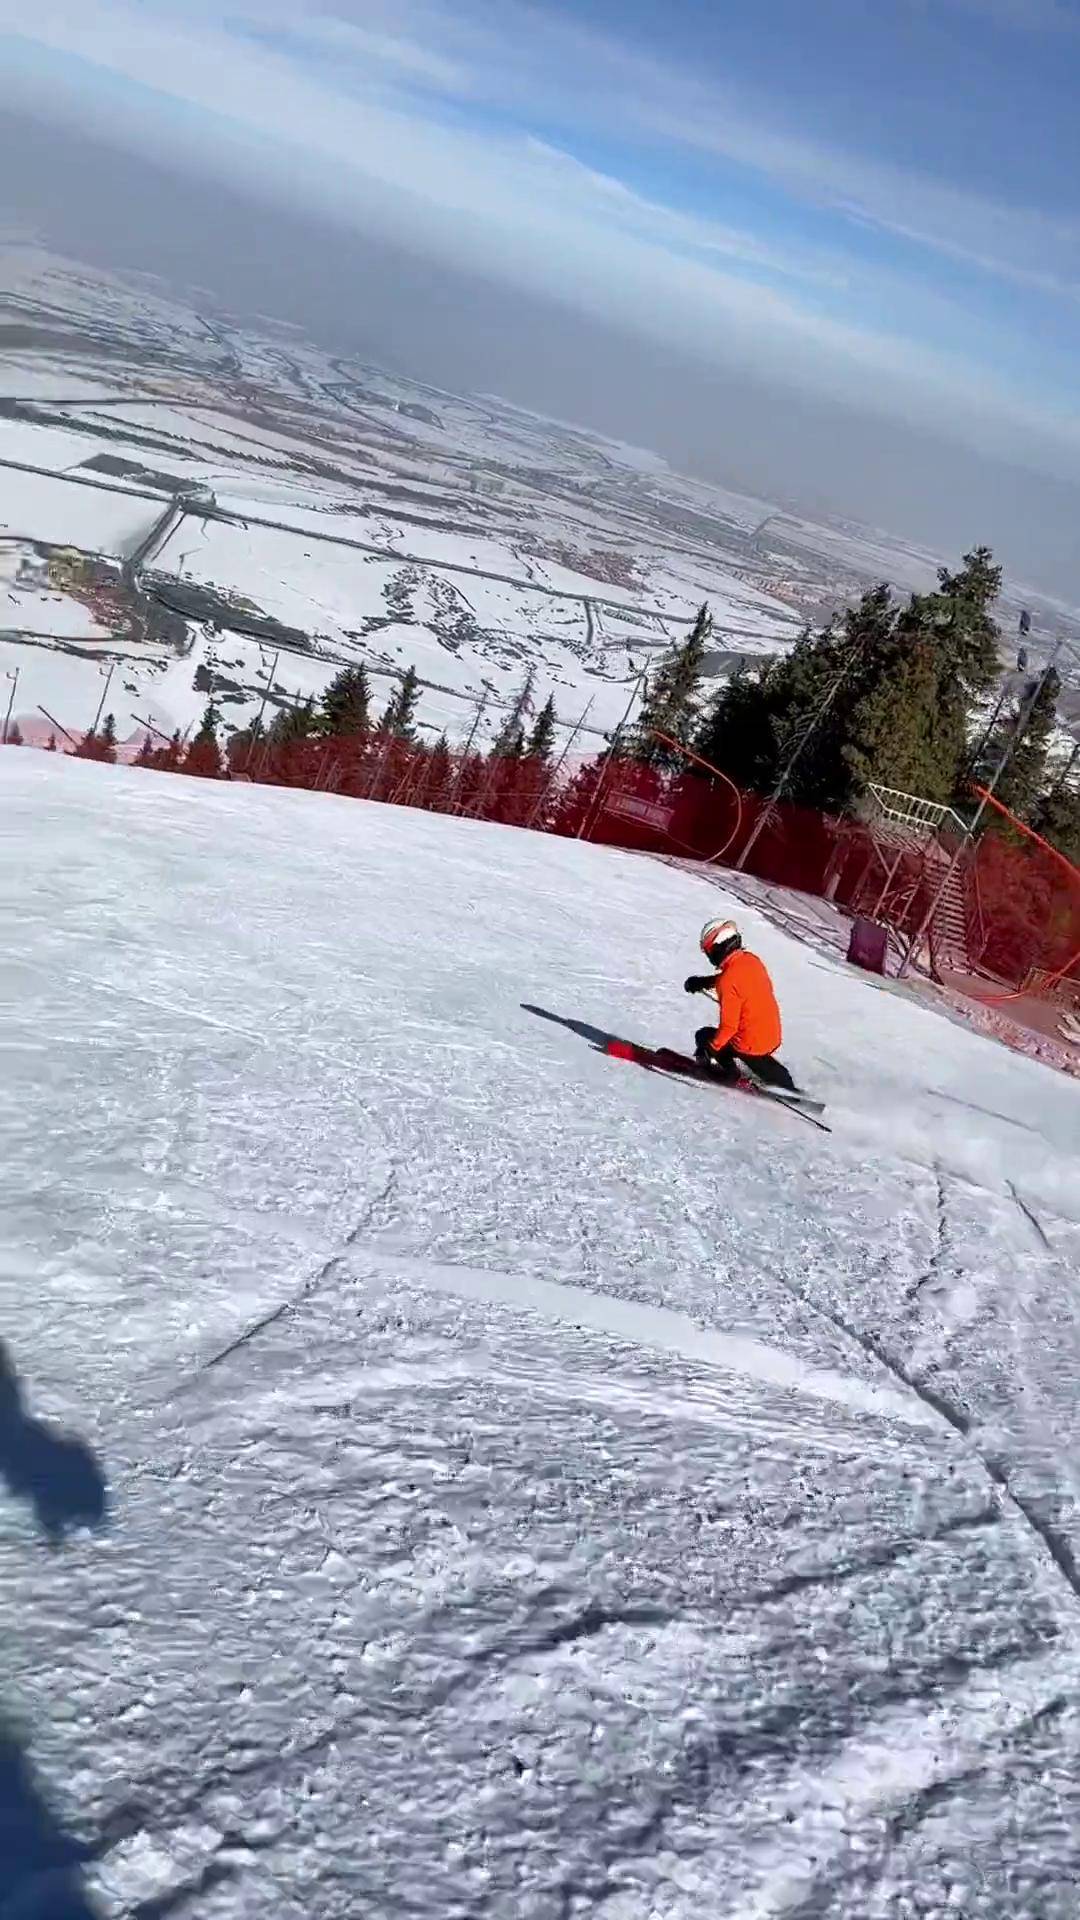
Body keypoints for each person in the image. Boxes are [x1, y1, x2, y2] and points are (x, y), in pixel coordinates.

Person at [684, 917, 798, 1092]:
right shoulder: (752, 961)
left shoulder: (727, 981)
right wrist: (703, 982)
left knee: (704, 1036)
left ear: (717, 949)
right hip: (771, 1034)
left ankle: (730, 1076)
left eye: (708, 952)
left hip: (749, 1043)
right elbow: (736, 979)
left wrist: (709, 1050)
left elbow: (729, 1028)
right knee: (765, 1065)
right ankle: (781, 1080)